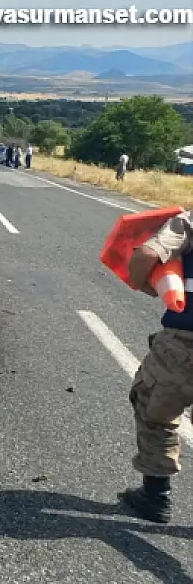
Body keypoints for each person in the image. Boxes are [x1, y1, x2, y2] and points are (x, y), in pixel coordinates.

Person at [119, 208, 193, 524]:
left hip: (185, 341)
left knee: (155, 409)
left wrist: (145, 286)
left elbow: (146, 254)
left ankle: (155, 496)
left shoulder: (187, 222)